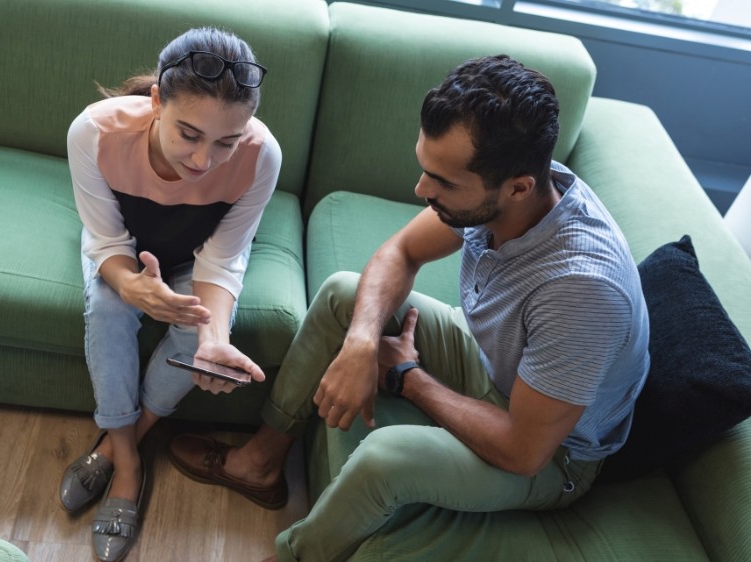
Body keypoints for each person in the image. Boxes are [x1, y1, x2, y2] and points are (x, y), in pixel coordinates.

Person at [169, 54, 650, 561]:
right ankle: (259, 463)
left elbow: (523, 450)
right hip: (494, 366)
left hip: (553, 455)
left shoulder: (582, 291)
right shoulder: (527, 182)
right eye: (426, 170)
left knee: (385, 455)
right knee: (343, 294)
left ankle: (293, 556)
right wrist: (359, 346)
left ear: (518, 188)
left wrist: (407, 377)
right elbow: (401, 252)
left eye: (443, 182)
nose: (422, 191)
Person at [58, 27, 280, 562]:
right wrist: (129, 282)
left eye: (226, 141)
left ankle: (124, 439)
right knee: (110, 306)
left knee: (199, 331)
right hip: (127, 249)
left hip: (201, 255)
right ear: (156, 100)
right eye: (189, 134)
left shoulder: (261, 156)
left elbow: (222, 260)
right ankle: (129, 466)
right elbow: (107, 239)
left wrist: (214, 336)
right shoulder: (94, 132)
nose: (204, 161)